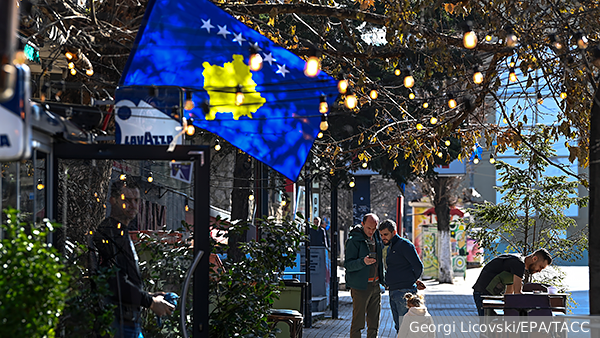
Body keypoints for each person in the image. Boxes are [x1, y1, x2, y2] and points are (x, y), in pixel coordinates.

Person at [93, 179, 175, 338]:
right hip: (118, 321)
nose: (133, 205)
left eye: (136, 200)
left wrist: (150, 297)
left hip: (126, 319)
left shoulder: (119, 233)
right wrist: (150, 302)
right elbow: (115, 282)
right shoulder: (109, 233)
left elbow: (121, 279)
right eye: (126, 200)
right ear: (113, 201)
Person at [472, 248, 553, 316]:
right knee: (489, 327)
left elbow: (509, 293)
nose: (539, 271)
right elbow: (518, 293)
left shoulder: (518, 262)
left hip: (486, 294)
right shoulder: (518, 264)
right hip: (483, 294)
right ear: (534, 258)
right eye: (540, 267)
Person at [379, 219, 425, 333]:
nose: (383, 237)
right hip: (394, 291)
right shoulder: (391, 246)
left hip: (405, 291)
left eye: (386, 234)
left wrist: (411, 281)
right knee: (400, 328)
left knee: (407, 328)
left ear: (394, 232)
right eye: (381, 235)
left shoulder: (404, 245)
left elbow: (418, 266)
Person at [344, 213, 385, 338]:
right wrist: (363, 262)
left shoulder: (377, 236)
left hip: (375, 285)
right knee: (358, 323)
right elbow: (348, 265)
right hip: (360, 287)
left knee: (374, 323)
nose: (371, 231)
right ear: (362, 224)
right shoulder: (354, 240)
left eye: (374, 228)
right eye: (368, 228)